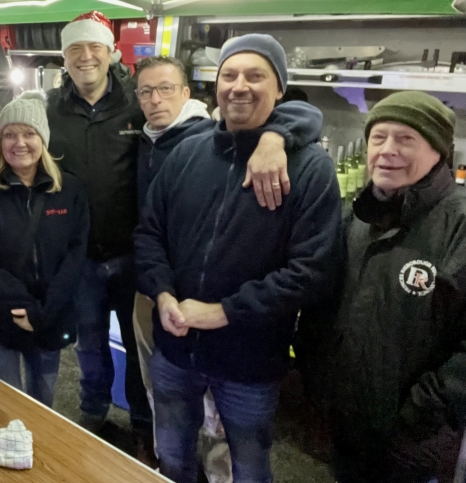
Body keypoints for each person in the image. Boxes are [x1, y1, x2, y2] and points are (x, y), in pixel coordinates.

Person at [134, 33, 343, 482]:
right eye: (229, 75)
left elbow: (313, 271)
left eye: (255, 75)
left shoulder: (308, 168)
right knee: (171, 453)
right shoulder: (186, 152)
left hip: (250, 359)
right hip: (175, 347)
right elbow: (150, 233)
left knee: (248, 465)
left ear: (280, 89)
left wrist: (224, 312)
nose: (239, 86)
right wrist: (163, 293)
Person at [304, 91, 466, 483]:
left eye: (406, 139)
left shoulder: (458, 225)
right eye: (378, 138)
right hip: (347, 423)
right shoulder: (358, 217)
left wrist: (421, 411)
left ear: (440, 151)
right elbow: (328, 306)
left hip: (414, 440)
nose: (387, 150)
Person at [0, 91, 89, 407]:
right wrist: (23, 305)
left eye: (29, 133)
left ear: (43, 138)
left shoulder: (69, 190)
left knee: (43, 404)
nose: (20, 142)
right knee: (4, 406)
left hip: (48, 318)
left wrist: (43, 312)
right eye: (10, 134)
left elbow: (75, 255)